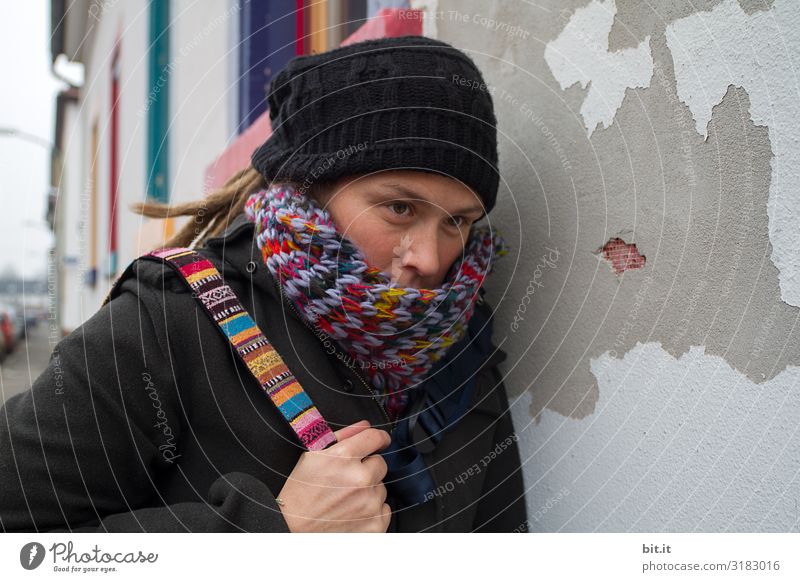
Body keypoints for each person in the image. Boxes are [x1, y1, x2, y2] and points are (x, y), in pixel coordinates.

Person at [0, 35, 526, 532]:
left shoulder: (461, 340)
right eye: (399, 208)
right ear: (307, 188)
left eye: (456, 221)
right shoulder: (164, 324)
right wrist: (267, 532)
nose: (430, 260)